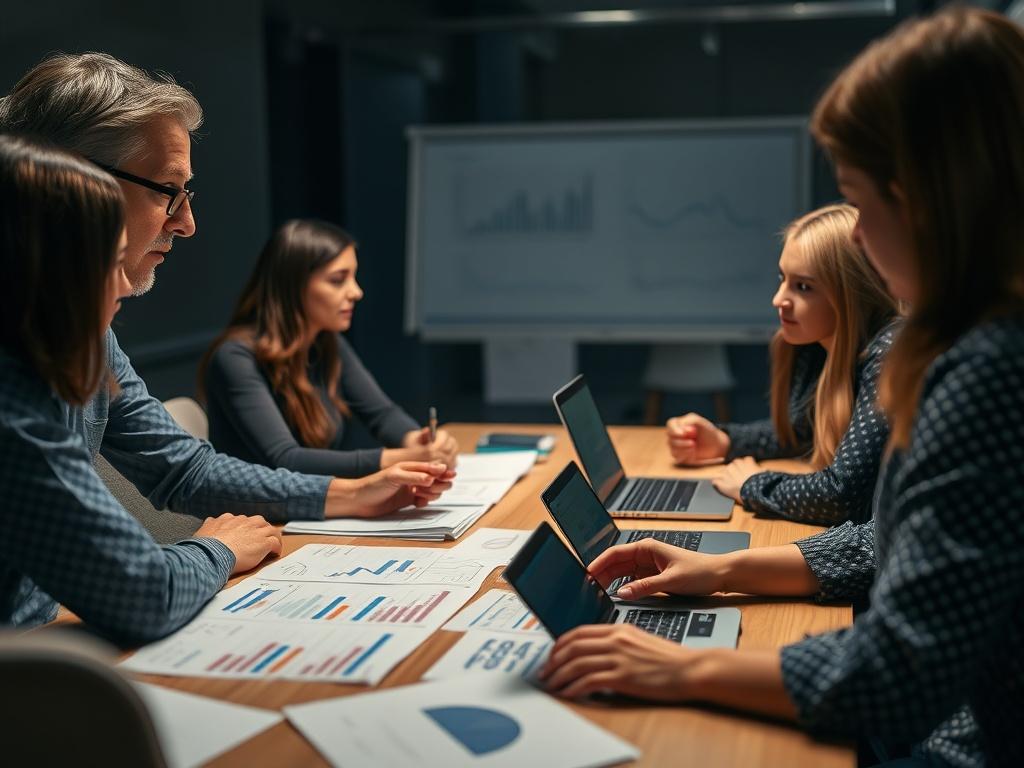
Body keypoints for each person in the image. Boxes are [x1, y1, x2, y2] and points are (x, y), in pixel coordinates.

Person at [542, 7, 1024, 766]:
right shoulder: (979, 344)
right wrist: (723, 568)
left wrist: (682, 667)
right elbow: (898, 546)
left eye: (862, 202)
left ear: (932, 199)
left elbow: (899, 674)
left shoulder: (990, 371)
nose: (859, 235)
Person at [0, 52, 452, 527]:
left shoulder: (91, 338)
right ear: (69, 183)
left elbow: (183, 468)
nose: (187, 223)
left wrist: (352, 494)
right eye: (167, 189)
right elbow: (127, 580)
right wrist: (216, 551)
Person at [0, 135, 286, 644]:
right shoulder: (13, 409)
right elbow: (143, 595)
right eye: (106, 266)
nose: (121, 288)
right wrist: (217, 547)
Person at [666, 204, 898, 525]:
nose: (779, 299)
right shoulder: (820, 347)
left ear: (851, 294)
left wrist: (751, 484)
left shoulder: (888, 357)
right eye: (782, 278)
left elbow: (841, 497)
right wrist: (725, 441)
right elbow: (800, 432)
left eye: (802, 287)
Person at [200, 219, 458, 478]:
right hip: (255, 515)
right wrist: (399, 458)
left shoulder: (326, 342)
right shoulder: (235, 358)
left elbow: (382, 414)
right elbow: (285, 458)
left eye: (354, 277)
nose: (356, 292)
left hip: (312, 506)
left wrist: (414, 439)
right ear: (293, 287)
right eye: (338, 280)